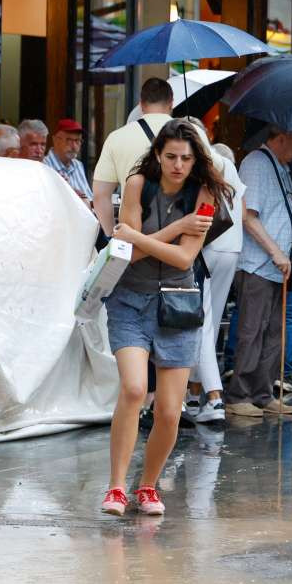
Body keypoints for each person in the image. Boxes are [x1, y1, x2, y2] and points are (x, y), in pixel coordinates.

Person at [99, 119, 231, 517]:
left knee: (171, 410)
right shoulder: (139, 183)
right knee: (135, 388)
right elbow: (133, 256)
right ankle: (117, 487)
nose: (178, 164)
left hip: (179, 302)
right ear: (158, 155)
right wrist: (175, 227)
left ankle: (148, 486)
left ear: (196, 161)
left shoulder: (205, 193)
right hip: (130, 299)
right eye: (171, 156)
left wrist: (136, 236)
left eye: (186, 158)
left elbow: (184, 257)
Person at [225, 126, 292, 417]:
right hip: (260, 264)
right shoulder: (257, 164)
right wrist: (275, 250)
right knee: (253, 329)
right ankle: (239, 394)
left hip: (277, 265)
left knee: (274, 331)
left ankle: (262, 392)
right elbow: (248, 216)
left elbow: (282, 212)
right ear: (280, 138)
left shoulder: (279, 167)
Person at [182, 122, 246, 423]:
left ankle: (213, 396)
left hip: (206, 248)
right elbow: (240, 208)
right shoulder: (226, 162)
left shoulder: (200, 165)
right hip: (232, 247)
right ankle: (195, 395)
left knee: (202, 325)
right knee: (209, 319)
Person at [93, 78, 174, 238]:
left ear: (141, 105)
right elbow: (217, 173)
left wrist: (111, 234)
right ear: (171, 103)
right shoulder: (191, 133)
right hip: (178, 233)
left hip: (133, 233)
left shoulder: (117, 137)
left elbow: (100, 195)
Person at [43, 118, 91, 202]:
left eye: (77, 140)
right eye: (69, 140)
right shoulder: (44, 166)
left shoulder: (78, 165)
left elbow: (89, 197)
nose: (74, 146)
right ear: (55, 140)